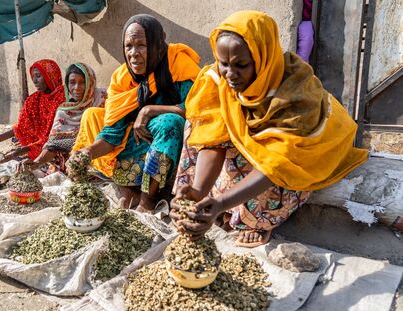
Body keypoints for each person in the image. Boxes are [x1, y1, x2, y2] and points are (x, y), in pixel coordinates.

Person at [171, 11, 367, 247]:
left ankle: (254, 220)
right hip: (258, 148)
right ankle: (213, 202)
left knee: (285, 177)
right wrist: (198, 190)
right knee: (196, 126)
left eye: (241, 65)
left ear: (261, 58)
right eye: (224, 64)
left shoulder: (296, 94)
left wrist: (222, 202)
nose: (230, 75)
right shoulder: (218, 81)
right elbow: (212, 139)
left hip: (303, 154)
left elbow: (277, 164)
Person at [70, 14, 201, 213]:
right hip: (139, 145)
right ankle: (129, 190)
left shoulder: (177, 64)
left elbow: (195, 108)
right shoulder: (122, 79)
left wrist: (149, 110)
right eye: (128, 46)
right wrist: (87, 153)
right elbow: (111, 135)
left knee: (169, 122)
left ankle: (148, 201)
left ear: (157, 43)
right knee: (94, 118)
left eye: (141, 45)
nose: (133, 53)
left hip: (175, 148)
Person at [16, 63, 107, 174]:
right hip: (78, 162)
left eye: (82, 82)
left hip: (103, 153)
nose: (76, 88)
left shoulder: (104, 98)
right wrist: (37, 162)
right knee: (61, 157)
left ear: (91, 82)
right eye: (72, 83)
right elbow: (54, 143)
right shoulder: (64, 111)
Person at [0, 59, 65, 163]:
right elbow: (21, 128)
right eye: (33, 76)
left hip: (53, 145)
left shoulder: (62, 99)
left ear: (51, 76)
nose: (34, 80)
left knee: (54, 156)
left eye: (38, 76)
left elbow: (54, 138)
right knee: (17, 141)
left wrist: (18, 152)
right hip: (36, 142)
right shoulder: (34, 99)